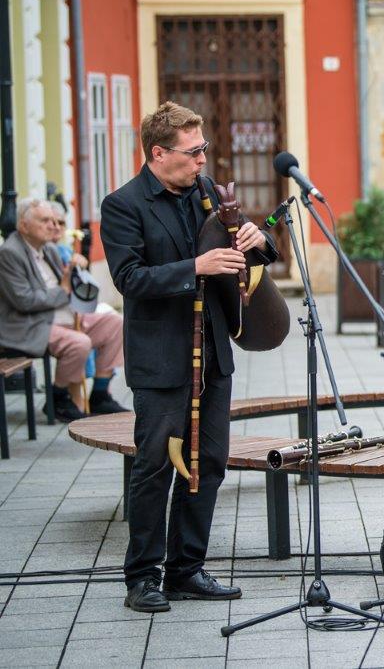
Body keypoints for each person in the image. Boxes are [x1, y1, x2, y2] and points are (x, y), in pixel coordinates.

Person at [101, 101, 276, 613]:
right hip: (161, 356)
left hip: (213, 351)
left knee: (209, 462)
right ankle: (142, 577)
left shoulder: (207, 191)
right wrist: (193, 266)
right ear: (159, 153)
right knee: (156, 465)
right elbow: (128, 278)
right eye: (193, 151)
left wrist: (257, 239)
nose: (203, 160)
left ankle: (186, 568)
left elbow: (253, 252)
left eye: (204, 149)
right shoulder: (123, 204)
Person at [0, 198, 127, 419]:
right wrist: (64, 288)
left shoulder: (48, 248)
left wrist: (74, 267)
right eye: (44, 220)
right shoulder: (10, 253)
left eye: (53, 220)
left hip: (61, 317)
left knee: (116, 324)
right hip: (28, 324)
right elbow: (24, 301)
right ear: (23, 225)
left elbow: (67, 284)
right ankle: (57, 398)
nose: (52, 225)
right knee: (79, 342)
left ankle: (99, 394)